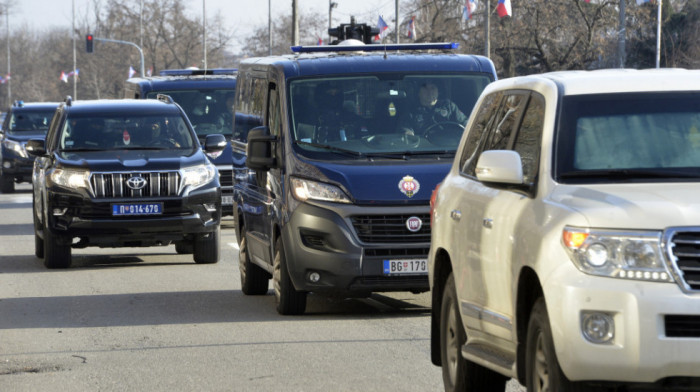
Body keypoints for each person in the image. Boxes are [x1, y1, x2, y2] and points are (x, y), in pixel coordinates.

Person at [400, 82, 468, 135]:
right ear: (418, 92)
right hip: (421, 150)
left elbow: (466, 124)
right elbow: (406, 132)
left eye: (433, 88)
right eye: (425, 88)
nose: (430, 92)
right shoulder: (411, 111)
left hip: (449, 148)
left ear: (438, 92)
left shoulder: (449, 106)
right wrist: (408, 135)